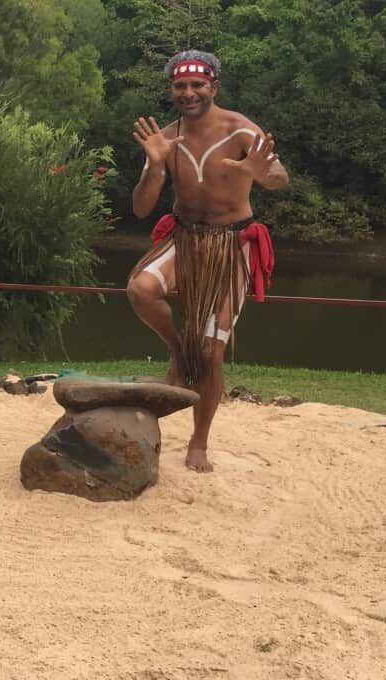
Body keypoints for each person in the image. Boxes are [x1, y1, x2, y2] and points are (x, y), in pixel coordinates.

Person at [126, 50, 289, 473]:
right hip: (185, 237)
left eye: (198, 85)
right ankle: (177, 352)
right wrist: (156, 167)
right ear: (172, 90)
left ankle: (199, 441)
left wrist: (258, 172)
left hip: (231, 245)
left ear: (213, 87)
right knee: (141, 289)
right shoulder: (165, 138)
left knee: (211, 352)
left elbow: (280, 177)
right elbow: (142, 208)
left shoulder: (240, 130)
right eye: (180, 86)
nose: (189, 92)